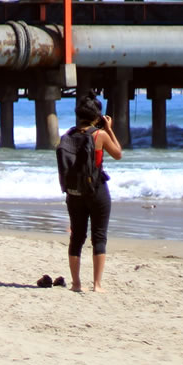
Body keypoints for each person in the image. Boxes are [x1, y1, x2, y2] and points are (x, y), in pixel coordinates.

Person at [65, 94, 123, 292]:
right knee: (99, 237)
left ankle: (76, 284)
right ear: (97, 116)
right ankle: (97, 285)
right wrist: (108, 129)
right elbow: (118, 154)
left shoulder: (69, 135)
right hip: (96, 190)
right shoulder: (100, 135)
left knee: (77, 237)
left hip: (74, 192)